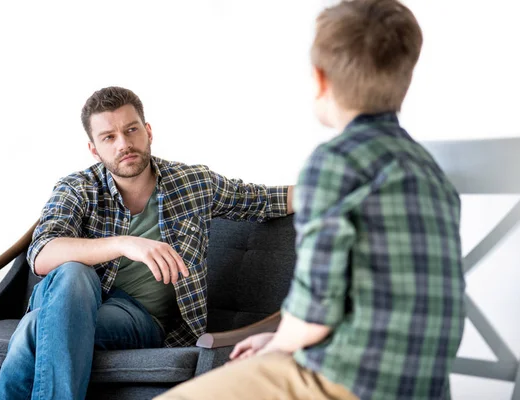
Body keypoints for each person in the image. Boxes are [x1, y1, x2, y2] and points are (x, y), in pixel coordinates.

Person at [156, 1, 465, 399]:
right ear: (405, 77)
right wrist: (278, 342)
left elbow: (316, 309)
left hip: (351, 380)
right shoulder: (431, 173)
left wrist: (282, 343)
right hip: (425, 385)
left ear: (320, 79)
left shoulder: (335, 163)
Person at [0, 86, 294, 399]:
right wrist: (124, 243)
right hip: (73, 296)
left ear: (147, 131)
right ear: (94, 149)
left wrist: (336, 185)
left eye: (131, 130)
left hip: (138, 318)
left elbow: (266, 200)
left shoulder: (193, 183)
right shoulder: (78, 188)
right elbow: (42, 252)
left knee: (37, 327)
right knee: (73, 273)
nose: (124, 144)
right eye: (109, 137)